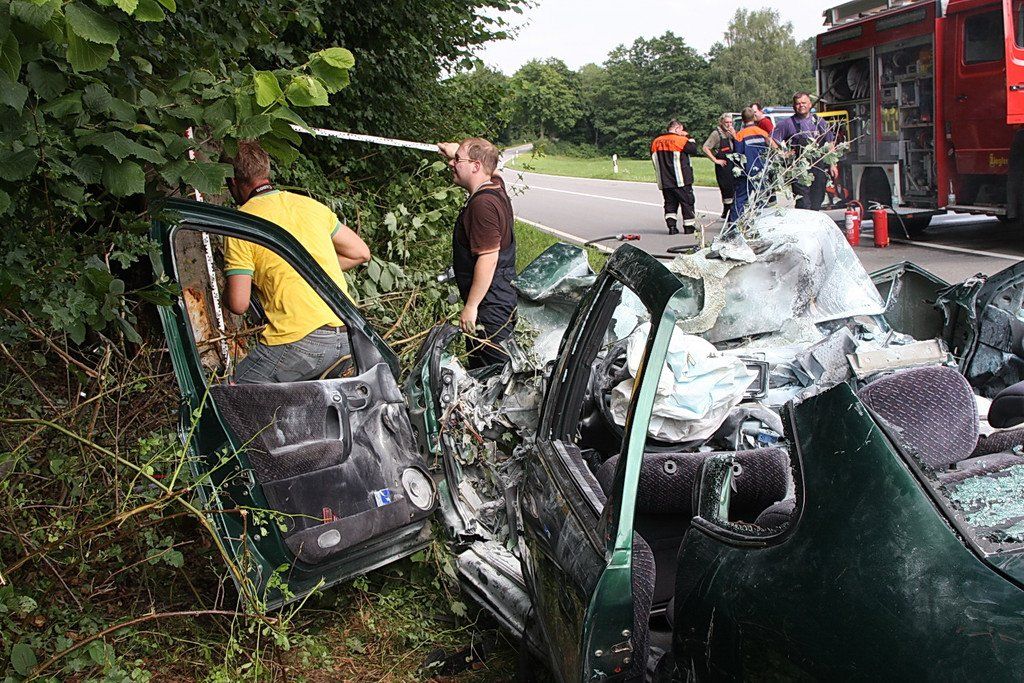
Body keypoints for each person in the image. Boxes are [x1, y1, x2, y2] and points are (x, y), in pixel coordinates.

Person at [222, 140, 371, 384]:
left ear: (233, 182)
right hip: (349, 334)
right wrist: (303, 270)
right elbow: (360, 253)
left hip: (299, 341)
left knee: (230, 394)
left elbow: (238, 304)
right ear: (265, 171)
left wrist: (226, 291)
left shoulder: (242, 224)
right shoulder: (310, 206)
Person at [437, 137, 517, 369]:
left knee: (491, 376)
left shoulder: (482, 205)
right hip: (500, 299)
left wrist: (471, 307)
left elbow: (489, 258)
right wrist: (456, 152)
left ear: (475, 166)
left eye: (457, 160)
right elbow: (493, 171)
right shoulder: (495, 188)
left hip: (489, 308)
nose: (451, 164)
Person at [771, 92, 838, 211]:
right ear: (794, 106)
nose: (801, 105)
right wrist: (782, 154)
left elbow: (830, 144)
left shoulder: (819, 122)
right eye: (798, 103)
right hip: (799, 170)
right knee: (803, 203)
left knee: (817, 200)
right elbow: (770, 139)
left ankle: (814, 221)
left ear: (810, 104)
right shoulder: (787, 123)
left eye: (804, 103)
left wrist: (833, 164)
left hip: (818, 167)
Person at [651, 119, 701, 235]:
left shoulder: (656, 142)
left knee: (670, 203)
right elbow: (693, 149)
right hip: (681, 179)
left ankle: (672, 227)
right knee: (687, 202)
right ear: (677, 128)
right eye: (681, 130)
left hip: (664, 180)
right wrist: (688, 136)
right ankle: (689, 227)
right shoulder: (680, 140)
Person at [728, 107, 777, 223]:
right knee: (761, 198)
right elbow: (773, 148)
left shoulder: (740, 135)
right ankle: (761, 223)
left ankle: (734, 224)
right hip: (761, 171)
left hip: (745, 172)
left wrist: (733, 137)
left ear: (743, 119)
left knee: (740, 199)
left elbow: (737, 155)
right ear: (754, 117)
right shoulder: (762, 133)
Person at [703, 113, 736, 220]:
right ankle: (728, 211)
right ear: (721, 122)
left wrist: (734, 135)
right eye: (726, 122)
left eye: (730, 122)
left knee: (734, 189)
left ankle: (729, 212)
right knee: (726, 189)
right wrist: (715, 160)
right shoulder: (716, 134)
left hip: (734, 165)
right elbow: (705, 148)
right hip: (723, 167)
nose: (729, 124)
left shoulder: (733, 132)